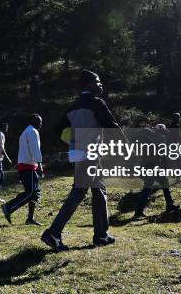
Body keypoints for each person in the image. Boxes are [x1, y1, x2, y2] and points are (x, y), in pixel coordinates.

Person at [41, 70, 118, 252]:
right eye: (98, 81)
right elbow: (112, 126)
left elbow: (57, 129)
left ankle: (101, 235)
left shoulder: (73, 106)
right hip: (91, 153)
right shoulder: (96, 103)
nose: (100, 85)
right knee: (79, 192)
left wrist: (74, 140)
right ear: (89, 84)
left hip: (77, 153)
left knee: (98, 190)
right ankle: (53, 232)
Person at [1, 114, 43, 226]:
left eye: (40, 122)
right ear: (32, 122)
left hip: (26, 165)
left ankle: (30, 218)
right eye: (38, 122)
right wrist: (40, 165)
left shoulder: (25, 132)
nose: (40, 124)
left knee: (35, 192)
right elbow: (35, 149)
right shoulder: (33, 131)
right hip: (28, 166)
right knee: (30, 192)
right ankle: (8, 207)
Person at [133, 123, 180, 218]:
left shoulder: (150, 137)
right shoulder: (160, 139)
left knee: (164, 183)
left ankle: (170, 205)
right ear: (162, 131)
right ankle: (138, 211)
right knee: (148, 188)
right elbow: (162, 155)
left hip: (148, 166)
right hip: (153, 167)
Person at [168, 112, 181, 186]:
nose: (179, 119)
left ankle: (175, 176)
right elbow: (178, 136)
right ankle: (178, 179)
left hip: (170, 147)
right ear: (176, 118)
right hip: (174, 147)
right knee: (180, 163)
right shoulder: (175, 126)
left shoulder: (170, 125)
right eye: (179, 117)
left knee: (174, 163)